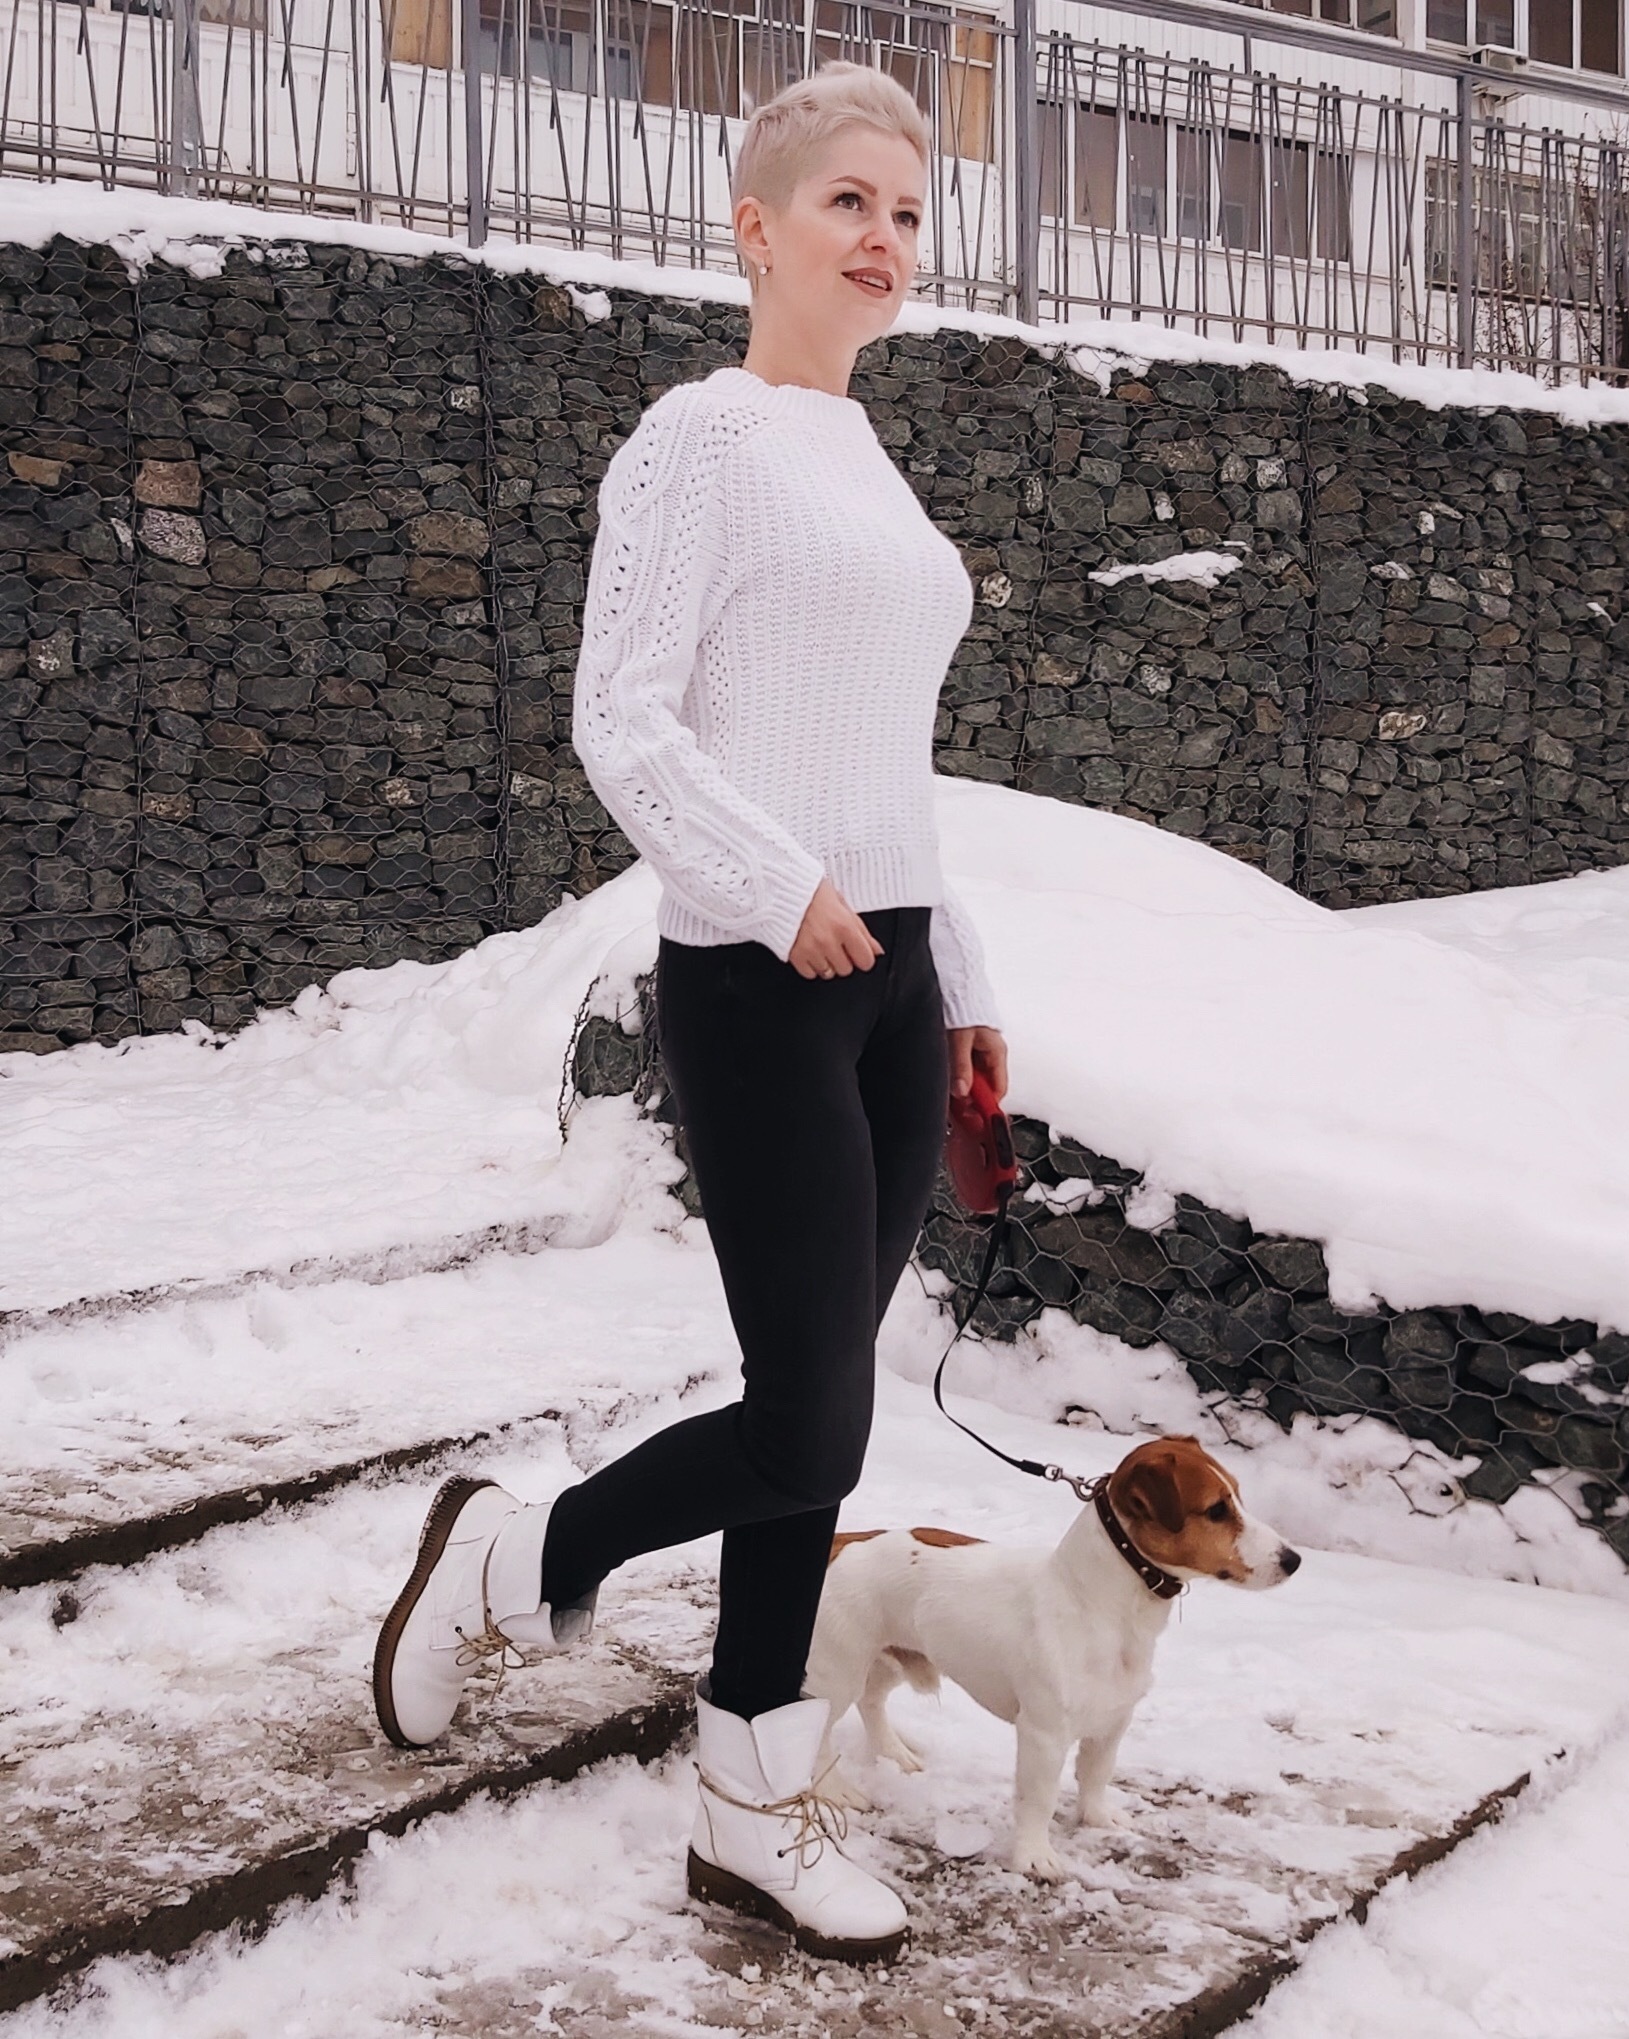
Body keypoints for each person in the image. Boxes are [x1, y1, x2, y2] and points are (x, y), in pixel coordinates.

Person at [372, 59, 1010, 1966]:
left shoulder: (868, 458)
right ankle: (517, 1557)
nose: (886, 239)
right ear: (756, 227)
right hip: (756, 976)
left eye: (909, 211)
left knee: (827, 1418)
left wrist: (963, 987)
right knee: (808, 1423)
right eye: (849, 204)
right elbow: (622, 716)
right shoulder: (698, 441)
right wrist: (777, 884)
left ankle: (746, 1801)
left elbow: (890, 762)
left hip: (891, 984)